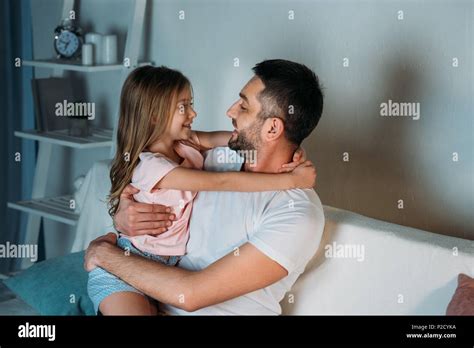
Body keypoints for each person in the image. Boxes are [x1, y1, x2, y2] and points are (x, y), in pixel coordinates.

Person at [85, 59, 325, 315]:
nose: (230, 112)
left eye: (243, 106)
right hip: (144, 294)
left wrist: (103, 253)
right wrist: (124, 211)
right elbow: (160, 161)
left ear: (273, 128)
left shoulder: (296, 213)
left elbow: (190, 295)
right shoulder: (215, 161)